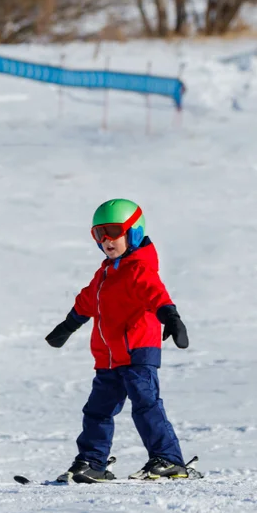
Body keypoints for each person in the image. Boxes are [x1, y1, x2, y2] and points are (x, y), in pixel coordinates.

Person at [44, 199, 198, 482]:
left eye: (113, 231)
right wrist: (67, 326)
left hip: (138, 351)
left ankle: (169, 460)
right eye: (98, 233)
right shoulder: (105, 273)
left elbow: (156, 294)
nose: (106, 240)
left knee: (146, 406)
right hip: (109, 358)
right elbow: (87, 300)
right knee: (97, 411)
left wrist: (171, 318)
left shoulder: (139, 269)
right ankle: (92, 461)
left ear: (134, 232)